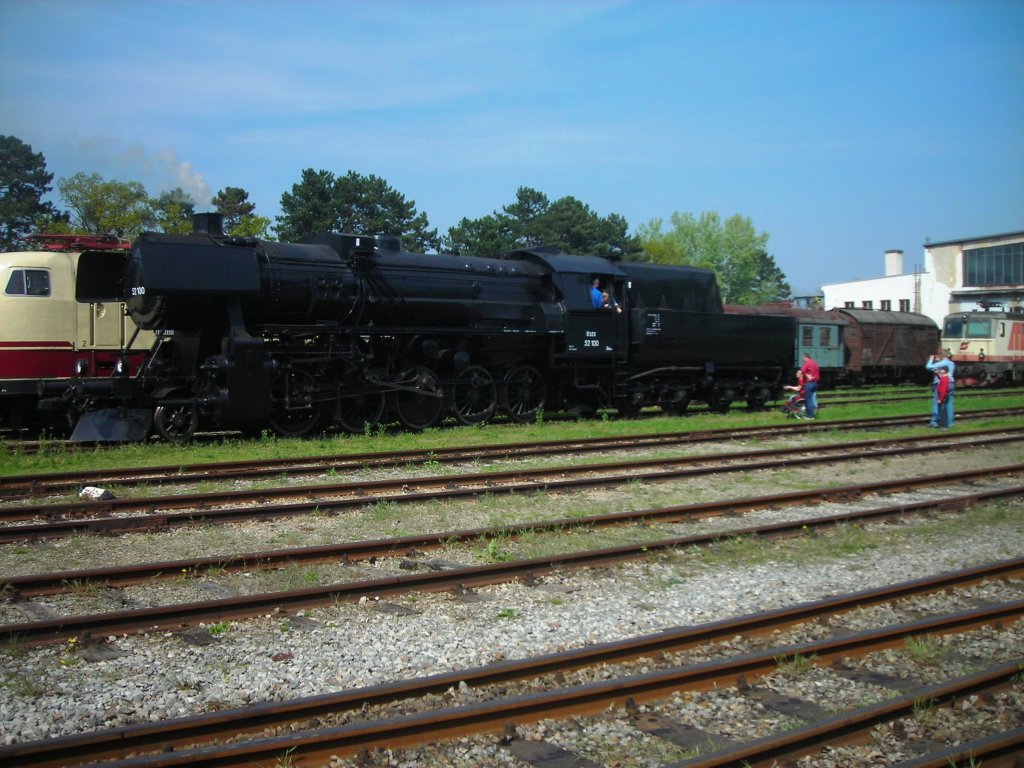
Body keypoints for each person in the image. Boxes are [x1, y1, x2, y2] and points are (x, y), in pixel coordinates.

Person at [925, 349, 955, 428]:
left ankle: (934, 421)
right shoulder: (952, 363)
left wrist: (931, 359)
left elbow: (928, 367)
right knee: (949, 404)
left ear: (941, 355)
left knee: (936, 403)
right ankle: (950, 423)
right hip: (951, 384)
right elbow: (939, 369)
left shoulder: (942, 363)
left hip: (941, 384)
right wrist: (938, 362)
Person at [799, 353, 820, 419]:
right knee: (811, 399)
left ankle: (810, 416)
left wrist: (806, 375)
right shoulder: (815, 363)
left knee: (808, 400)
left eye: (803, 358)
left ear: (806, 357)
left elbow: (802, 370)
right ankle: (811, 414)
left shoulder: (807, 363)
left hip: (809, 383)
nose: (803, 360)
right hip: (815, 383)